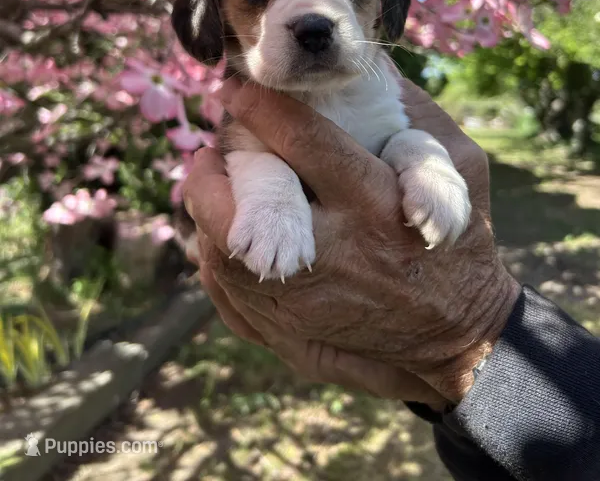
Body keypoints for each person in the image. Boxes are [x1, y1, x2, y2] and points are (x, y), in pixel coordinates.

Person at [182, 74, 600, 481]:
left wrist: (421, 155)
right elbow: (241, 154)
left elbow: (397, 136)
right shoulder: (253, 96)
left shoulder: (378, 89)